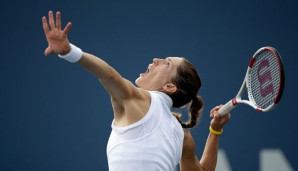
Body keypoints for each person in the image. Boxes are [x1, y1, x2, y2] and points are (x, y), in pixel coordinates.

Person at [42, 11, 231, 171]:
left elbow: (110, 76)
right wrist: (215, 131)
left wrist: (70, 52)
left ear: (170, 87)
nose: (156, 59)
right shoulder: (182, 137)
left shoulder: (142, 101)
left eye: (166, 63)